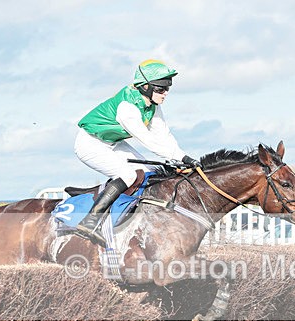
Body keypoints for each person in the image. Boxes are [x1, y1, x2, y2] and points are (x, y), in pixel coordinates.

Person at [72, 59, 200, 246]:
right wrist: (178, 158)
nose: (165, 94)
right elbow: (147, 140)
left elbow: (164, 136)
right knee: (127, 174)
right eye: (161, 89)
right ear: (146, 87)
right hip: (89, 144)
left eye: (167, 89)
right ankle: (90, 221)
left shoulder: (153, 106)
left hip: (113, 143)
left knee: (150, 172)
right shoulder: (127, 107)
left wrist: (183, 157)